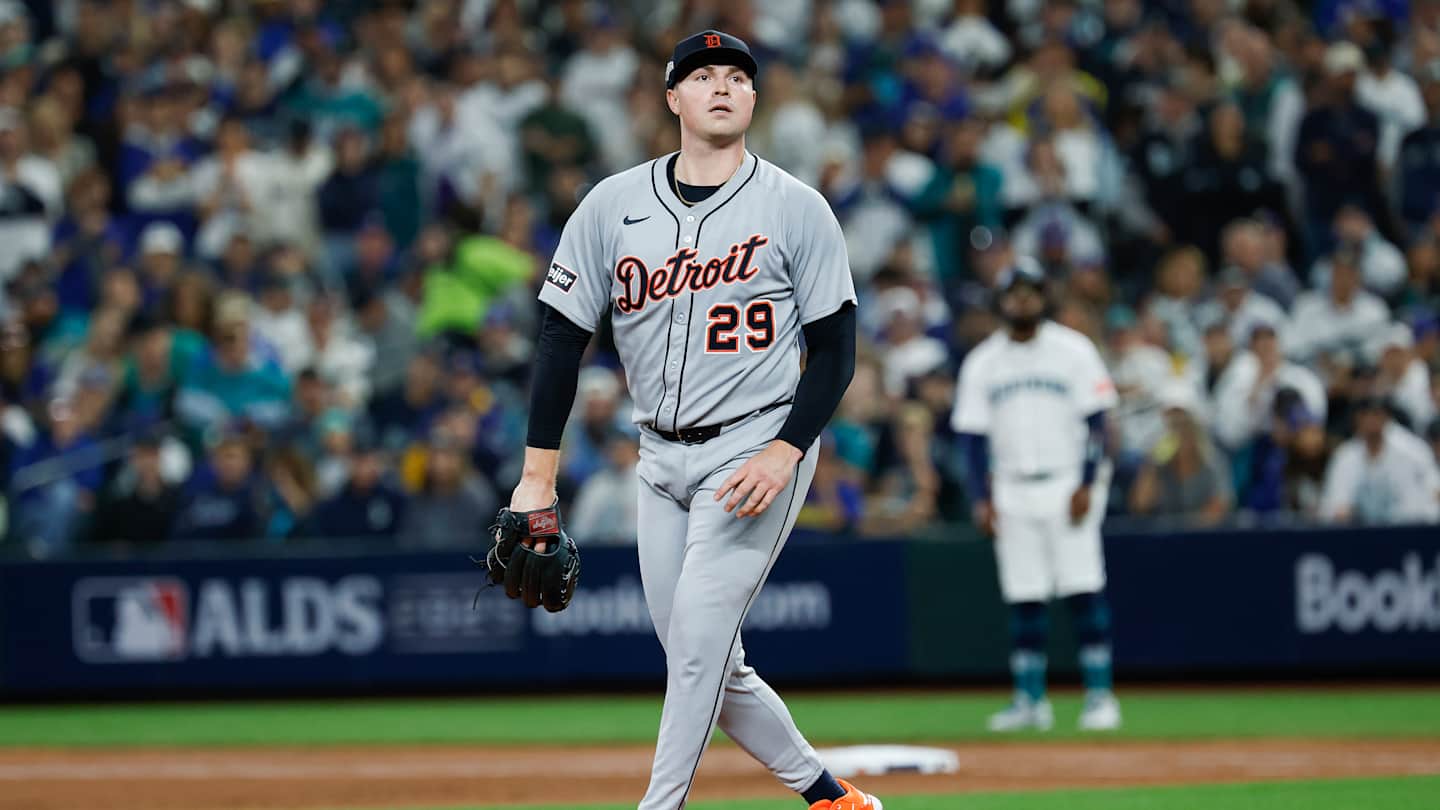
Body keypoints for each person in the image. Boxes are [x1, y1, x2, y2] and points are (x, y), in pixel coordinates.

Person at [503, 31, 878, 810]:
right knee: (705, 659)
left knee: (699, 648)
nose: (722, 86)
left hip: (754, 449)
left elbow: (836, 351)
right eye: (703, 75)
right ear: (673, 97)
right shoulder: (611, 206)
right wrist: (537, 478)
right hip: (656, 458)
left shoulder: (795, 207)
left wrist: (786, 449)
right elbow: (561, 338)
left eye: (737, 76)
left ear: (754, 98)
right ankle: (832, 797)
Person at [952, 256, 1122, 733]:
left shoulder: (1073, 350)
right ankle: (1030, 700)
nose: (1022, 301)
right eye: (1014, 293)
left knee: (1082, 588)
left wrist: (1088, 481)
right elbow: (972, 439)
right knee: (1024, 595)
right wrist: (981, 497)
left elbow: (1097, 422)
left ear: (1044, 297)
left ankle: (1100, 696)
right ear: (1001, 301)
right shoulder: (984, 361)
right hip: (1011, 486)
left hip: (1068, 482)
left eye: (1030, 292)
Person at [1320, 395, 1440, 525]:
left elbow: (1434, 494)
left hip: (1409, 529)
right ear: (1356, 419)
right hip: (1360, 532)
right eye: (1365, 415)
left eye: (1376, 414)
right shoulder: (1345, 456)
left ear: (1387, 417)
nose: (1370, 420)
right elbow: (1334, 505)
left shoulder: (1412, 451)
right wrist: (1340, 511)